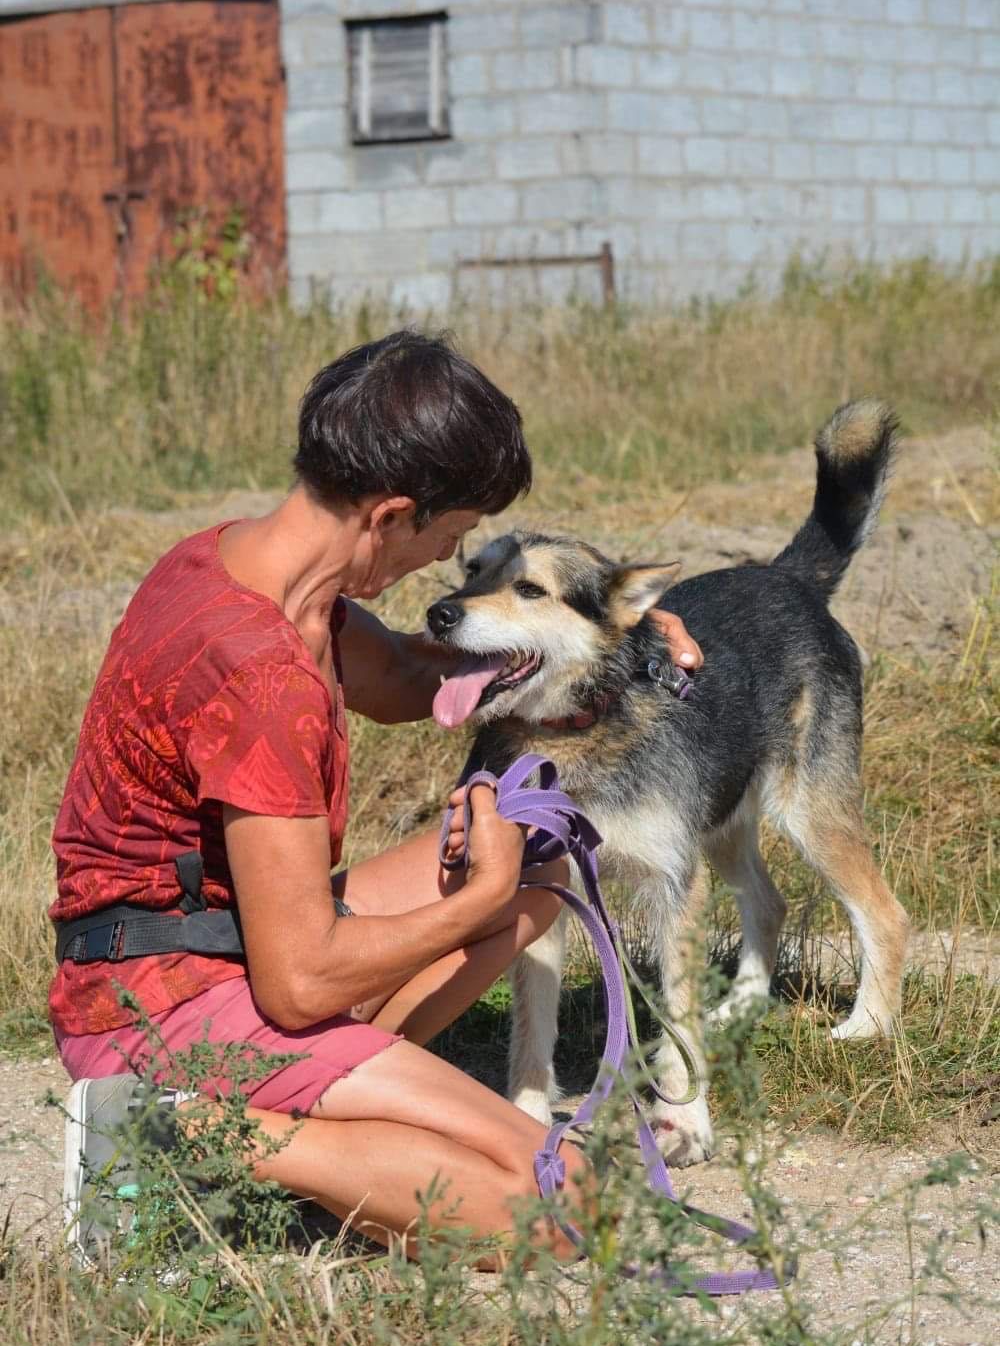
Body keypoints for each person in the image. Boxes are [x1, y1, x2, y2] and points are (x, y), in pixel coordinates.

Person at [52, 330, 703, 1266]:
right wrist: (470, 905)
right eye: (450, 537)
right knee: (572, 1211)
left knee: (536, 870)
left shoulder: (240, 570)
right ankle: (183, 1139)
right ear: (392, 513)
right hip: (167, 1012)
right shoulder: (261, 673)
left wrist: (610, 642)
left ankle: (313, 1109)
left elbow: (403, 674)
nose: (453, 563)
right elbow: (303, 978)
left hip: (176, 954)